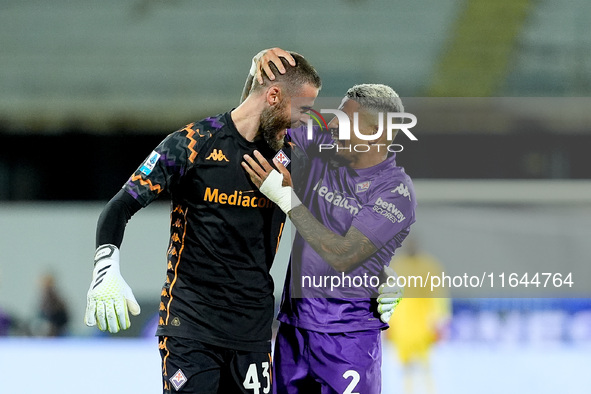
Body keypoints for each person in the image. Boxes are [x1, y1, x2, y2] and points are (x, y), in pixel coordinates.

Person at [84, 49, 321, 394]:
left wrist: (378, 273)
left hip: (252, 331)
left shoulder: (295, 155)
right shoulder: (193, 144)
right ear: (272, 96)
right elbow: (121, 205)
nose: (303, 120)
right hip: (189, 326)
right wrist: (105, 265)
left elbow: (335, 224)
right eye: (301, 109)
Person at [242, 49, 415, 394]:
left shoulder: (395, 191)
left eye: (347, 123)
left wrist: (289, 201)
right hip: (294, 331)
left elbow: (343, 254)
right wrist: (256, 77)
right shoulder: (323, 146)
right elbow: (257, 129)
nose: (334, 125)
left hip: (348, 341)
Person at [385, 237, 451, 394]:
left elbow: (438, 295)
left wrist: (440, 323)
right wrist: (386, 324)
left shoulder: (429, 266)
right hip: (402, 324)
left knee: (425, 367)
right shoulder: (397, 266)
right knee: (403, 367)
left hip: (423, 323)